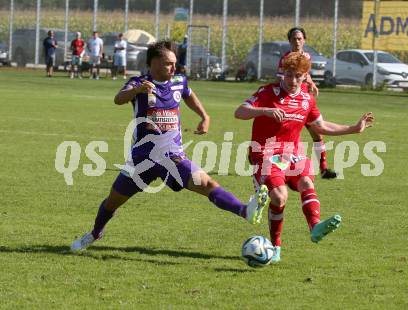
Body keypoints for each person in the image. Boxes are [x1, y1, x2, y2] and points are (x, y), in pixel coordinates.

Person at [70, 40, 270, 252]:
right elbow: (118, 99)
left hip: (172, 157)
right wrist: (136, 90)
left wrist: (204, 116)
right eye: (168, 63)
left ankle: (245, 211)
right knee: (112, 202)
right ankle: (94, 233)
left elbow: (189, 95)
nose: (174, 67)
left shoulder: (178, 81)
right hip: (142, 160)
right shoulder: (139, 82)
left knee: (208, 184)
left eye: (175, 63)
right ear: (154, 63)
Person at [235, 51, 374, 263]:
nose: (292, 81)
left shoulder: (307, 99)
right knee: (280, 197)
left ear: (305, 76)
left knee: (307, 181)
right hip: (264, 153)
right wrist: (264, 111)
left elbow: (321, 126)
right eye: (289, 75)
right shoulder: (267, 92)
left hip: (290, 155)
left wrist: (354, 128)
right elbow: (240, 111)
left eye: (298, 76)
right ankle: (276, 247)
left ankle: (315, 226)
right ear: (283, 73)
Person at [277, 27, 337, 179]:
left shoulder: (307, 57)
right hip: (290, 103)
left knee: (317, 132)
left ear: (304, 40)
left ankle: (323, 169)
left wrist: (311, 83)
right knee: (281, 137)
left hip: (305, 102)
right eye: (294, 39)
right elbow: (280, 79)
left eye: (299, 38)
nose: (297, 41)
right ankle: (258, 156)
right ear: (289, 41)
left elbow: (305, 75)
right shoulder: (286, 59)